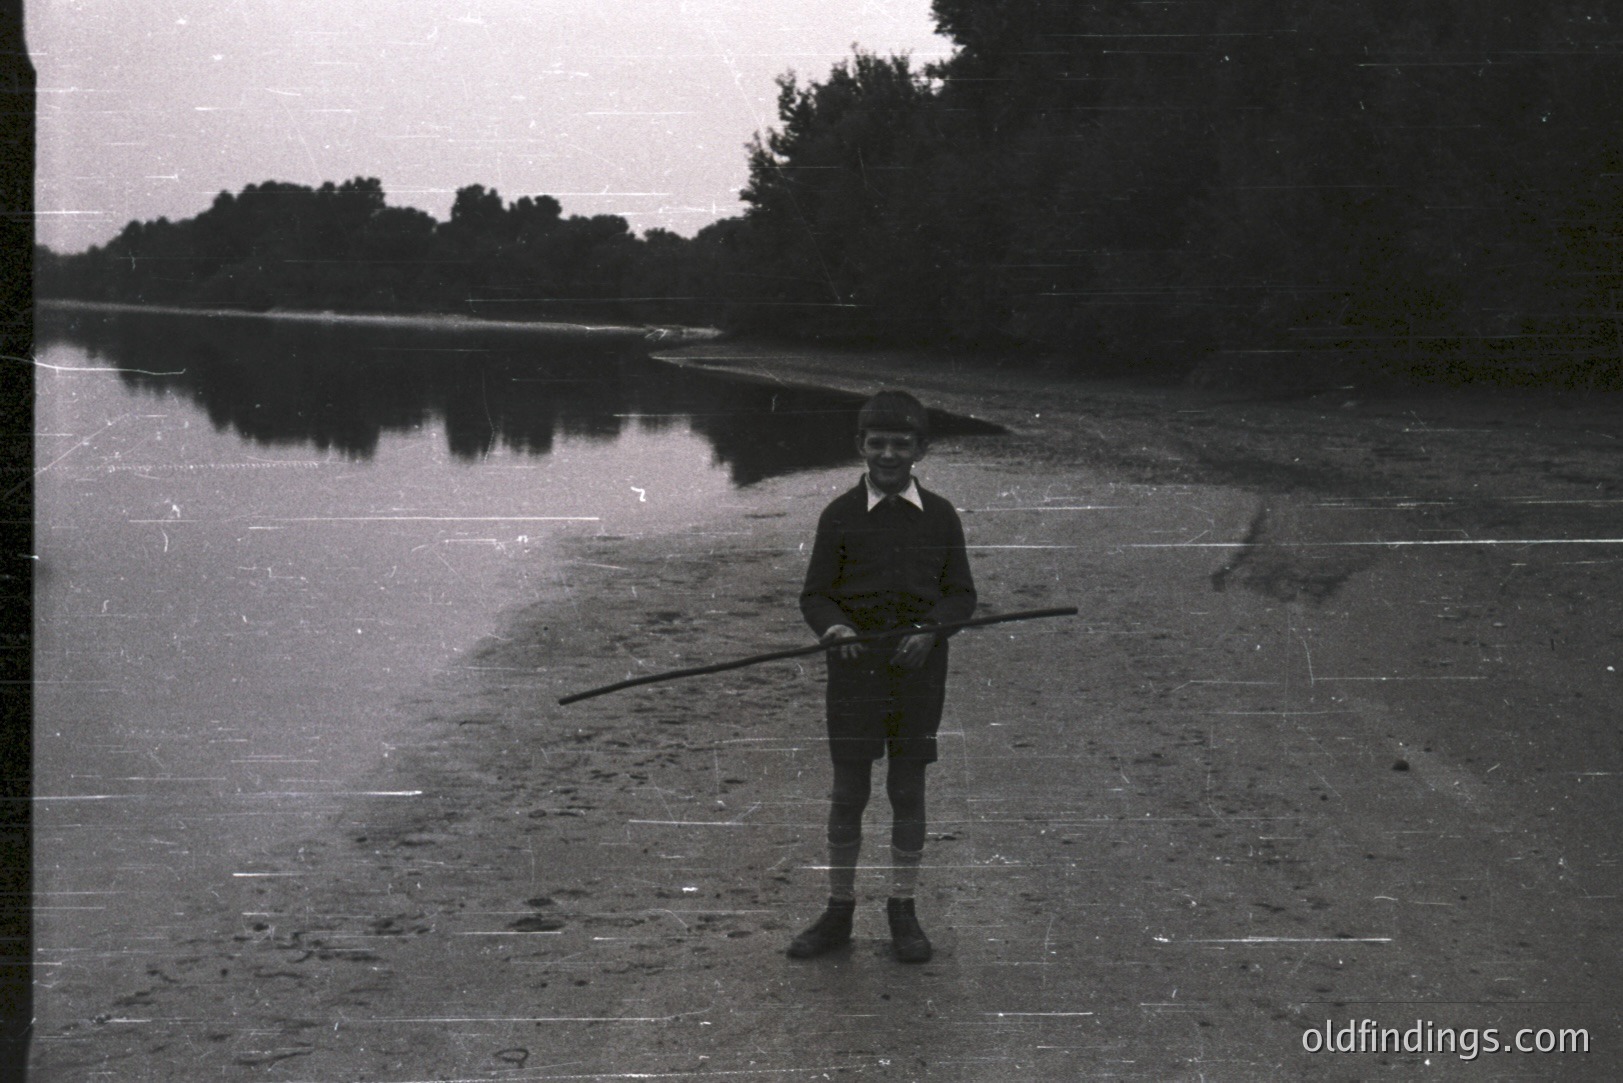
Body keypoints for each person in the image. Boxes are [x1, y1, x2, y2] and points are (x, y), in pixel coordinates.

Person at [791, 389, 977, 963]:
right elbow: (816, 594)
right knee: (849, 793)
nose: (889, 454)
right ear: (860, 446)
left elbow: (961, 594)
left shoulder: (941, 515)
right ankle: (839, 909)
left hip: (917, 675)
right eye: (878, 443)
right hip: (854, 673)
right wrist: (837, 629)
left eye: (902, 443)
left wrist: (932, 629)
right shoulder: (840, 515)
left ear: (921, 448)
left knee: (906, 789)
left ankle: (903, 907)